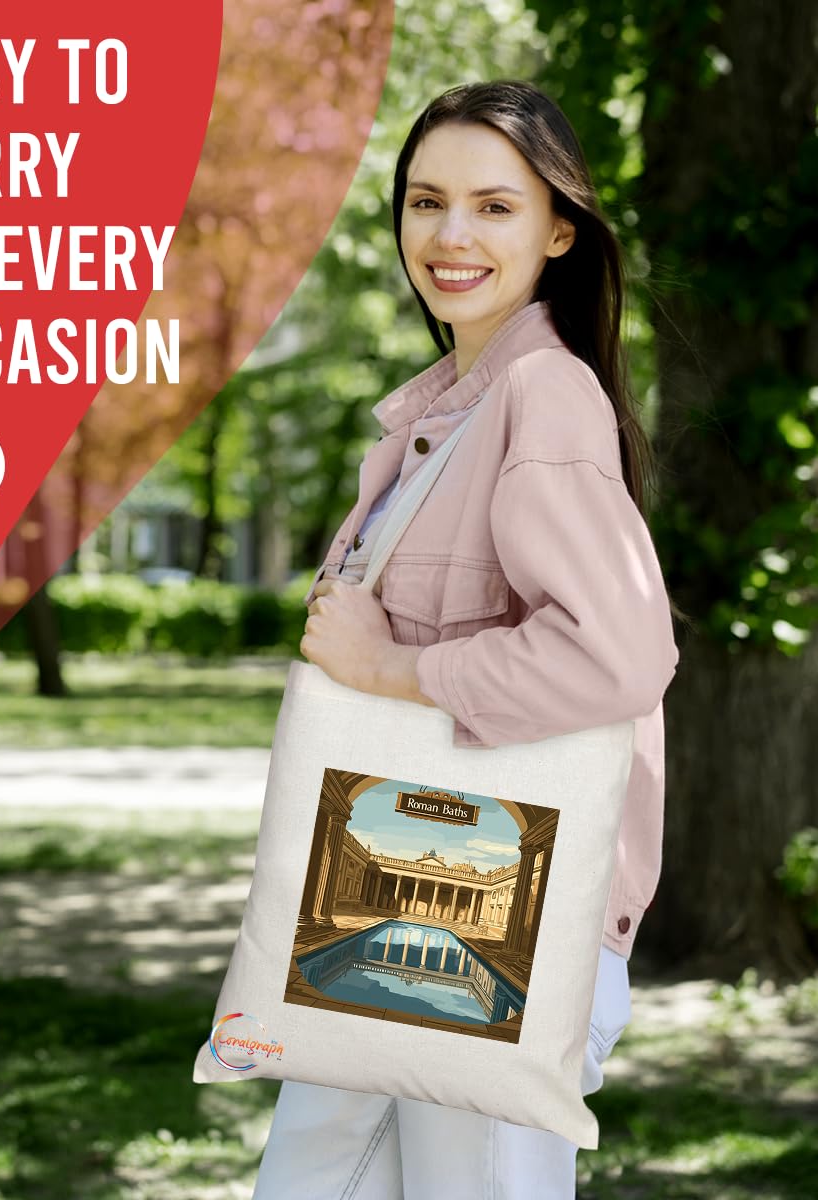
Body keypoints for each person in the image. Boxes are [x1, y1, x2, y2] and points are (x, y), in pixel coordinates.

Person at [251, 79, 679, 1200]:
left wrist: (390, 667)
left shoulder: (543, 398)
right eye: (425, 201)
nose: (449, 236)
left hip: (508, 929)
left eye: (493, 207)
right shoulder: (446, 415)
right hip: (400, 907)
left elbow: (616, 659)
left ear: (557, 229)